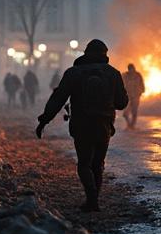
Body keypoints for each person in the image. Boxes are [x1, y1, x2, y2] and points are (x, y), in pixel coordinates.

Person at [35, 39, 129, 212]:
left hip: (81, 124)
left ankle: (91, 198)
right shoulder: (113, 73)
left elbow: (58, 98)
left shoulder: (73, 73)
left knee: (84, 163)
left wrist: (44, 120)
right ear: (104, 54)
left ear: (86, 54)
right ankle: (94, 200)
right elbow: (121, 103)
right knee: (98, 163)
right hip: (104, 125)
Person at [123, 63, 146, 129]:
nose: (132, 70)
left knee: (134, 112)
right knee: (125, 113)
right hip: (128, 96)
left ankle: (132, 126)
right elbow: (121, 85)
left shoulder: (138, 75)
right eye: (130, 69)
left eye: (132, 69)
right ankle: (129, 124)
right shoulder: (125, 76)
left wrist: (141, 91)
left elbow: (142, 84)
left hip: (136, 96)